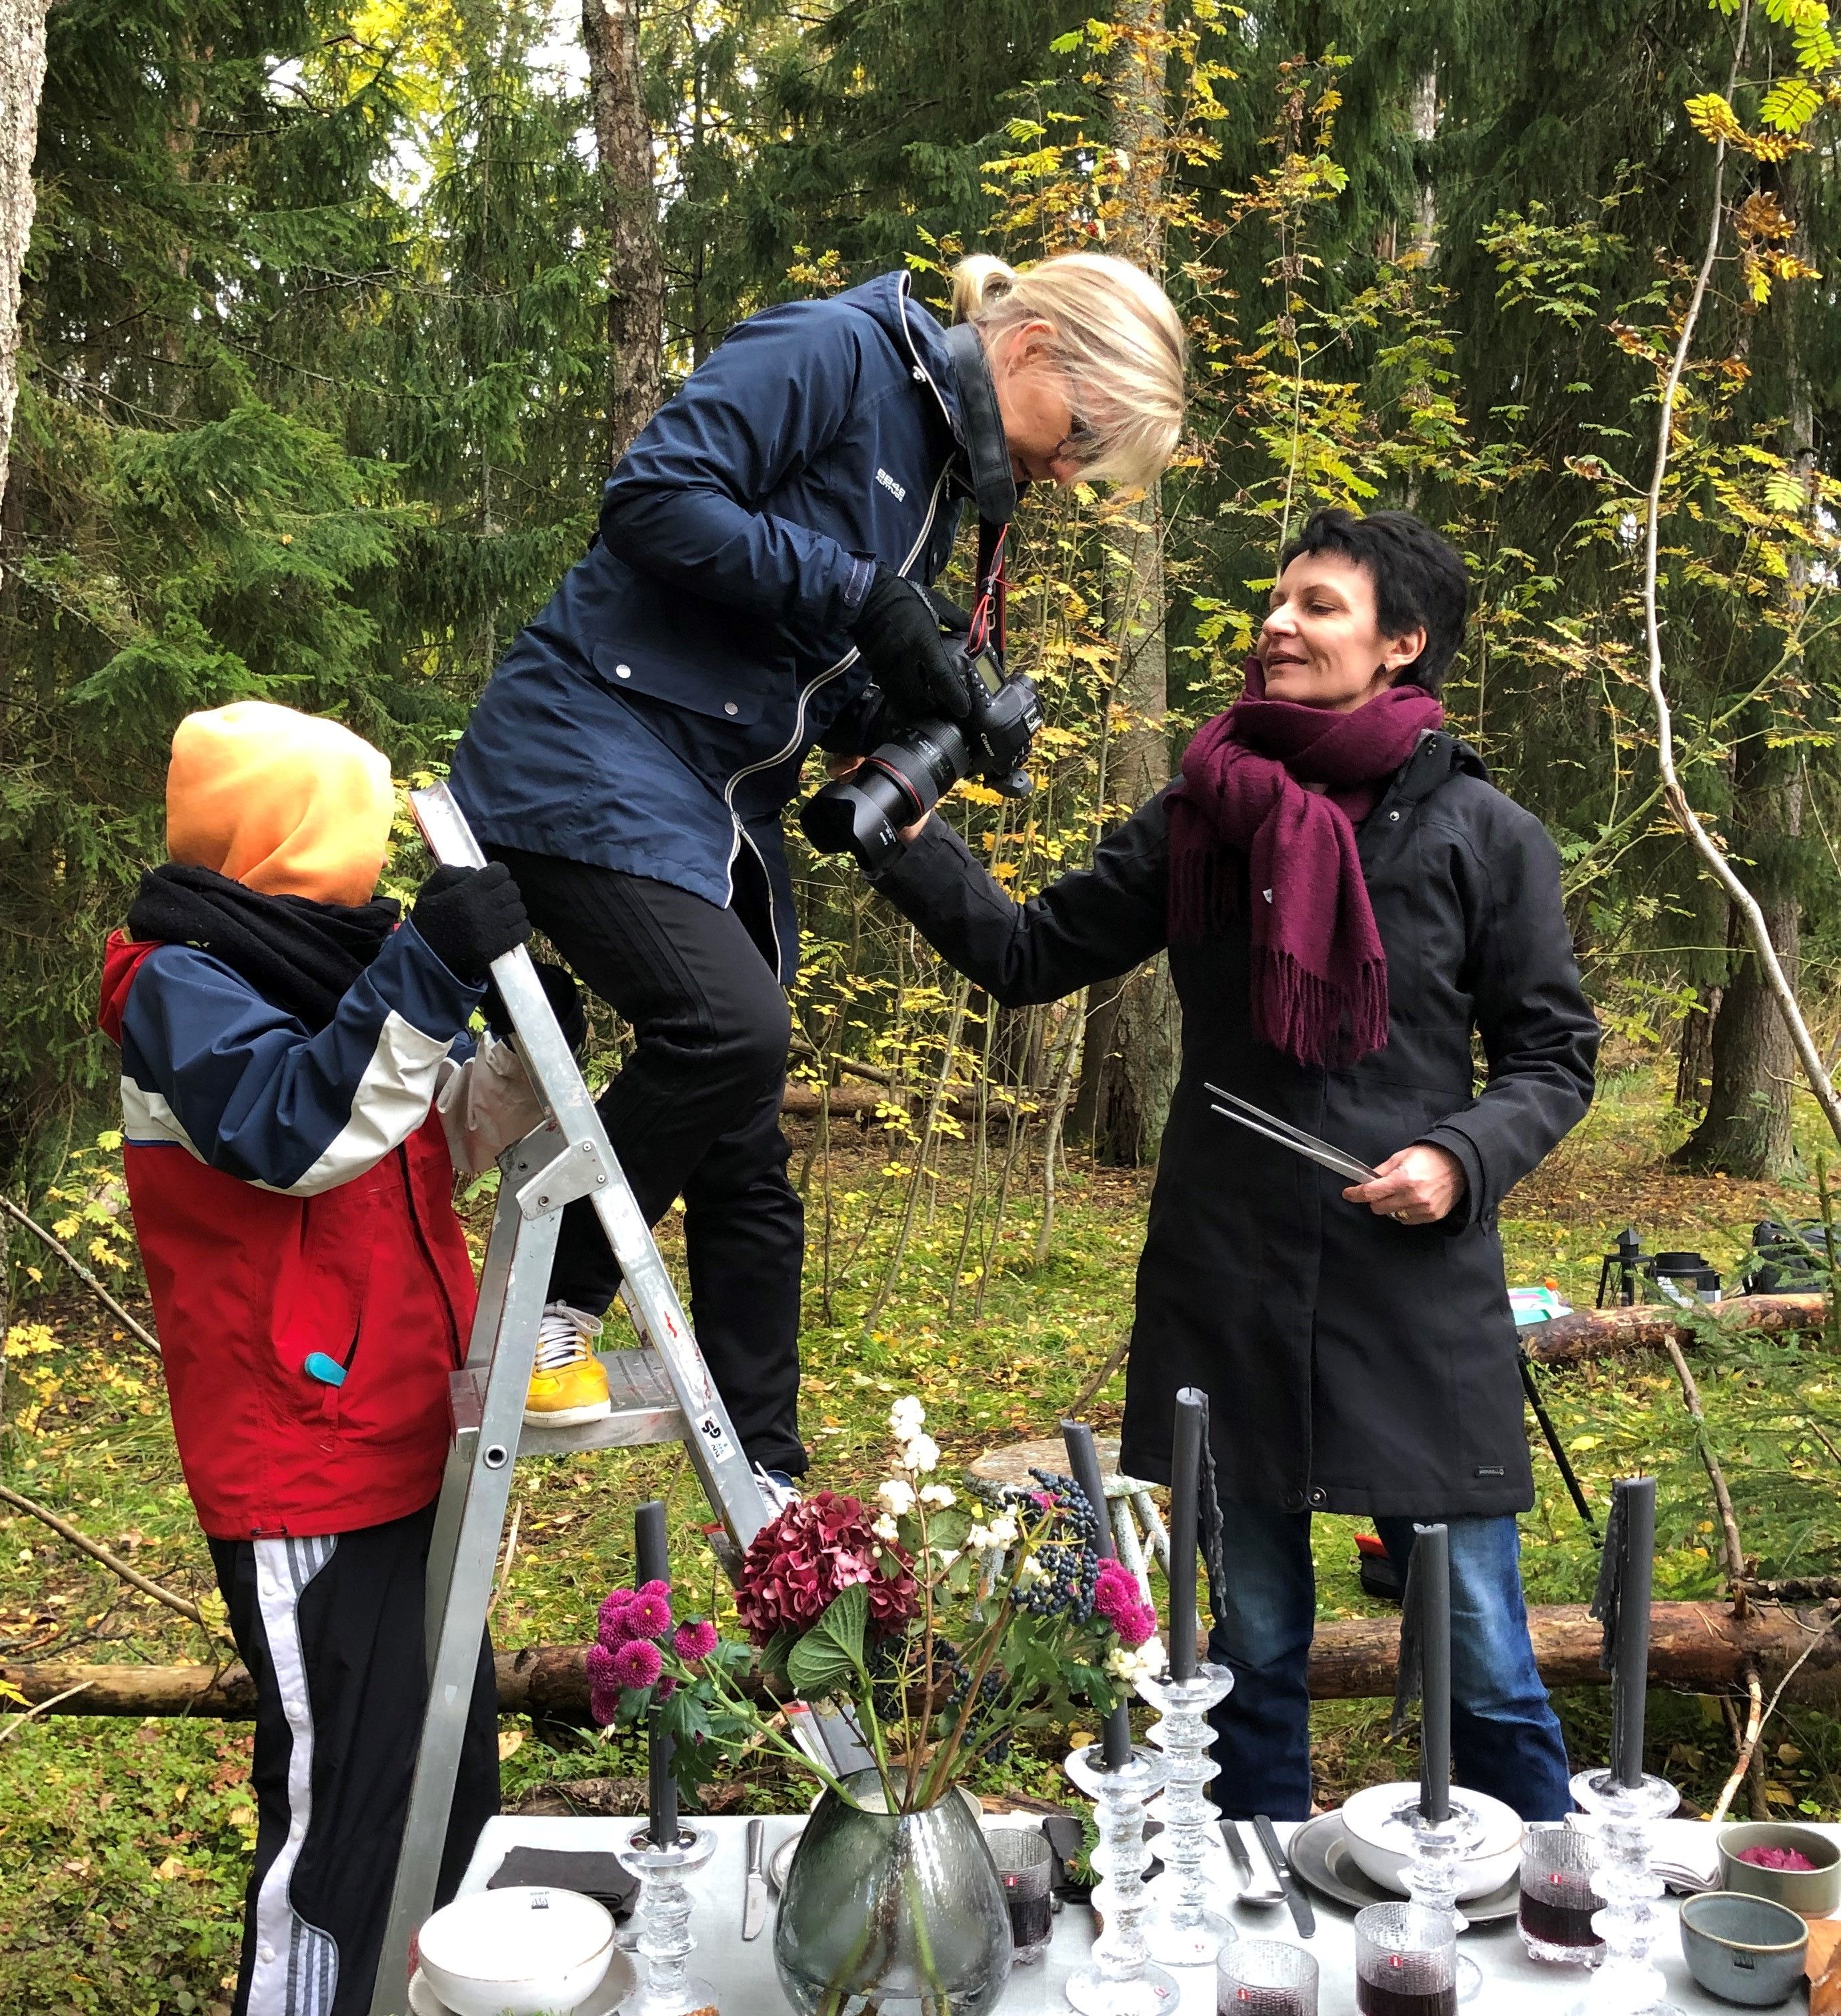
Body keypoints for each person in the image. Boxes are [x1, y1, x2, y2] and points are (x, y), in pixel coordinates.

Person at [867, 509, 1600, 1821]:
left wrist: (1457, 1157)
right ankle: (1251, 1913)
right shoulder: (1202, 813)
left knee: (1483, 1653)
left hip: (1417, 1283)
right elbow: (1035, 955)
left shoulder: (1486, 834)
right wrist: (907, 848)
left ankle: (1539, 1911)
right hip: (1231, 1269)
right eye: (1277, 600)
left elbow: (1553, 1058)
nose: (1277, 623)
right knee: (1250, 1644)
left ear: (1402, 645)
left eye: (1319, 605)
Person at [445, 251, 1188, 1493]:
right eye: (1086, 436)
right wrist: (869, 599)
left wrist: (920, 703)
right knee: (729, 1031)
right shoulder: (839, 351)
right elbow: (654, 500)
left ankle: (777, 1503)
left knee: (747, 1154)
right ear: (1033, 345)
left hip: (718, 795)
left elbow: (803, 662)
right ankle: (547, 1303)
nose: (1071, 473)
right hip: (583, 748)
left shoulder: (947, 473)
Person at [99, 701, 535, 2016]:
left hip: (402, 1430)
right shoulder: (177, 984)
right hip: (303, 1460)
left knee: (438, 1787)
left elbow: (418, 1136)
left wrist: (517, 1049)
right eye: (344, 829)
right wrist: (424, 977)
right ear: (279, 832)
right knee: (342, 1828)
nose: (368, 867)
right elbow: (296, 1131)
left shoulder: (321, 959)